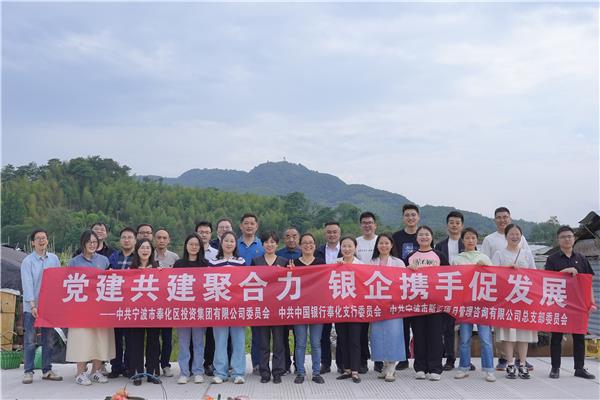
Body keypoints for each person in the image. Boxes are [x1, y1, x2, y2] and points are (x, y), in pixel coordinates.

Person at [481, 207, 534, 371]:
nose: (502, 220)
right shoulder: (490, 240)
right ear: (494, 219)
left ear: (510, 218)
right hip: (503, 294)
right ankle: (505, 359)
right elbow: (487, 266)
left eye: (505, 217)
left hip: (523, 294)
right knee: (504, 328)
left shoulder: (523, 243)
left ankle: (521, 360)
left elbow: (533, 272)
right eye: (499, 217)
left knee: (522, 328)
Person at [545, 225, 597, 380]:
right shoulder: (552, 259)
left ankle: (579, 368)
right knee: (556, 337)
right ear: (558, 240)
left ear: (574, 238)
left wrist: (592, 302)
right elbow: (546, 280)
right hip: (559, 303)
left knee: (579, 336)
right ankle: (555, 368)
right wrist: (565, 272)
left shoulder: (582, 258)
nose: (567, 239)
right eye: (563, 237)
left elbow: (588, 283)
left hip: (578, 304)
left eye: (569, 236)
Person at [66, 230, 114, 386]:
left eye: (94, 242)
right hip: (81, 308)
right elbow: (68, 284)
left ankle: (95, 371)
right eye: (89, 242)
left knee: (100, 339)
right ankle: (80, 373)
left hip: (100, 307)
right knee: (82, 340)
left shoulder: (104, 260)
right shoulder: (74, 262)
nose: (92, 245)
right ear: (83, 243)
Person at [491, 224, 536, 380]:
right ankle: (510, 364)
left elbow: (534, 275)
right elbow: (492, 274)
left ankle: (522, 364)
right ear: (506, 236)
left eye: (517, 234)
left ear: (521, 236)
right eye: (511, 234)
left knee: (524, 334)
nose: (515, 237)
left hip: (524, 299)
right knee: (508, 333)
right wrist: (506, 268)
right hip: (506, 300)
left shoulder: (527, 254)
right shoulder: (499, 254)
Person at [451, 228, 496, 382]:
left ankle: (489, 369)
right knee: (464, 338)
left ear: (477, 240)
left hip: (482, 303)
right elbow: (454, 280)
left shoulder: (484, 257)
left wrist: (486, 267)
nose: (470, 240)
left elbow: (495, 278)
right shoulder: (457, 259)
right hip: (465, 303)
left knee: (485, 338)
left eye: (473, 238)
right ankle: (463, 367)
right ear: (462, 240)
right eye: (467, 238)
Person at [405, 226, 449, 381]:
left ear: (431, 237)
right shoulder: (410, 257)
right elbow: (401, 279)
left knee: (435, 336)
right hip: (416, 304)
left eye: (427, 234)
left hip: (435, 304)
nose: (424, 237)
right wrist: (407, 269)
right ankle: (420, 367)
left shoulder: (440, 255)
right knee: (419, 335)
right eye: (421, 235)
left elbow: (448, 277)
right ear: (416, 238)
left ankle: (435, 368)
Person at [21, 228, 63, 384]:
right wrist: (32, 305)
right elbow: (27, 284)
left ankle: (47, 370)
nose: (41, 240)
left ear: (47, 240)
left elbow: (58, 281)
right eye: (38, 238)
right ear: (33, 243)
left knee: (49, 340)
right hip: (31, 307)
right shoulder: (28, 262)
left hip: (49, 307)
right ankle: (28, 371)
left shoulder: (54, 259)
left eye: (44, 238)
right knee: (30, 340)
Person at [209, 231, 247, 384]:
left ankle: (238, 372)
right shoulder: (213, 262)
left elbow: (246, 283)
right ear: (221, 243)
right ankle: (220, 373)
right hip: (219, 307)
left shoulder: (241, 261)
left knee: (239, 341)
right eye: (226, 241)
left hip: (237, 307)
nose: (229, 243)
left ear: (235, 244)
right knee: (220, 341)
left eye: (232, 241)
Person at [288, 233, 326, 384]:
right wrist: (287, 271)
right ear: (300, 245)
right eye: (304, 243)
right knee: (301, 343)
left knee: (316, 343)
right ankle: (300, 372)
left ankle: (316, 372)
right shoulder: (294, 263)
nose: (308, 245)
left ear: (315, 245)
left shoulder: (321, 263)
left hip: (317, 309)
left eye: (311, 243)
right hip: (299, 309)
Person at [251, 232, 289, 384]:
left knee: (279, 343)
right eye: (266, 242)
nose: (270, 244)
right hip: (262, 308)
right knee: (263, 343)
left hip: (279, 308)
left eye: (273, 242)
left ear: (277, 244)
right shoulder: (256, 261)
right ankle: (264, 372)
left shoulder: (284, 261)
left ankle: (278, 371)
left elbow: (290, 282)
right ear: (262, 244)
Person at [369, 233, 406, 382]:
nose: (383, 246)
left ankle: (392, 366)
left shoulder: (398, 262)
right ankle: (384, 364)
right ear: (377, 245)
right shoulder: (371, 262)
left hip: (393, 305)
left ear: (391, 245)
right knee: (378, 335)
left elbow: (404, 282)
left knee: (393, 334)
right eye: (381, 243)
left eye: (386, 243)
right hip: (377, 305)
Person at [174, 233, 209, 384]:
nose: (194, 247)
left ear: (200, 247)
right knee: (183, 343)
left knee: (199, 342)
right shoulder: (178, 264)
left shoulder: (205, 264)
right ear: (186, 246)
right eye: (191, 244)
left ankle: (198, 371)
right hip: (183, 309)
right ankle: (184, 372)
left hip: (199, 309)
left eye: (196, 244)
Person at [126, 239, 161, 386]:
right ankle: (137, 373)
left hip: (153, 311)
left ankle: (152, 372)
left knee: (153, 342)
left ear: (151, 251)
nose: (145, 250)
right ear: (137, 250)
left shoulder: (158, 268)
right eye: (142, 247)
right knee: (136, 342)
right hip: (136, 311)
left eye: (148, 248)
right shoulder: (131, 269)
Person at [434, 211, 465, 371]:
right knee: (446, 327)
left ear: (462, 225)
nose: (454, 225)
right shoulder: (439, 245)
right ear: (447, 225)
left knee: (464, 327)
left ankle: (464, 360)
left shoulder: (467, 244)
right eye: (451, 222)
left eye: (457, 222)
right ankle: (447, 358)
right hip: (444, 290)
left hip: (463, 291)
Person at [392, 204, 420, 370]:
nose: (410, 218)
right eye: (407, 215)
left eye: (413, 215)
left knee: (418, 326)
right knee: (402, 325)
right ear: (403, 218)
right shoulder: (396, 237)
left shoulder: (423, 234)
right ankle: (403, 358)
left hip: (419, 287)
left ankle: (419, 359)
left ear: (418, 217)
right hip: (401, 286)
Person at [236, 213, 265, 373]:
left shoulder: (262, 245)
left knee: (258, 332)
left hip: (257, 293)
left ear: (256, 226)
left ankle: (257, 364)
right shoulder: (234, 244)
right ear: (241, 226)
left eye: (252, 223)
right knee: (235, 332)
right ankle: (234, 364)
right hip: (236, 294)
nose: (249, 226)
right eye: (246, 223)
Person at [107, 227, 137, 379]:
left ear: (135, 240)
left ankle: (128, 366)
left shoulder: (138, 257)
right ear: (120, 240)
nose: (126, 240)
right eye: (124, 237)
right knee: (116, 338)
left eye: (130, 237)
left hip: (132, 304)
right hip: (115, 304)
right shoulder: (113, 257)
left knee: (130, 338)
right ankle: (116, 366)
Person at [335, 236, 364, 383]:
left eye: (350, 246)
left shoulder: (361, 265)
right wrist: (337, 267)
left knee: (355, 340)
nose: (347, 249)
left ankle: (355, 370)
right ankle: (346, 369)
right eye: (344, 246)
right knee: (343, 339)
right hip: (339, 309)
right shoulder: (335, 264)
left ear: (355, 248)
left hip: (356, 309)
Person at [315, 221, 343, 374]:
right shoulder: (318, 251)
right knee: (323, 333)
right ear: (325, 234)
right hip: (322, 296)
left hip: (341, 295)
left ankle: (342, 363)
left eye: (335, 232)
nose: (332, 235)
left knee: (341, 332)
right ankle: (325, 363)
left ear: (339, 233)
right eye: (329, 232)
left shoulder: (346, 249)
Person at [153, 228, 178, 378]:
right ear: (154, 239)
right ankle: (154, 364)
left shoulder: (174, 257)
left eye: (164, 238)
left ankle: (165, 364)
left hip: (168, 304)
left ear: (168, 240)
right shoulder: (148, 255)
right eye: (159, 237)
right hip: (152, 304)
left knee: (167, 337)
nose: (161, 240)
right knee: (154, 338)